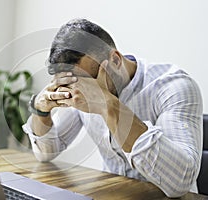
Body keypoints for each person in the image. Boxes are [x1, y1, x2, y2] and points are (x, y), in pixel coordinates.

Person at [22, 18, 203, 198]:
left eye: (85, 82)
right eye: (69, 82)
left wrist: (107, 104)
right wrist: (40, 110)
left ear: (115, 60)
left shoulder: (174, 86)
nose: (78, 91)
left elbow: (180, 182)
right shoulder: (77, 85)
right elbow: (46, 154)